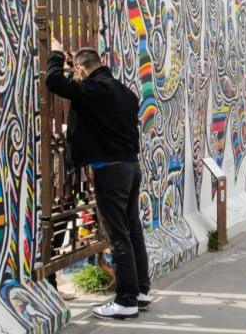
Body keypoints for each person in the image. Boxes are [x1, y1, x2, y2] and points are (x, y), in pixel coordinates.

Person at [46, 40, 151, 320]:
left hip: (111, 172)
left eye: (77, 72)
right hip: (131, 167)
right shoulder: (125, 92)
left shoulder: (93, 89)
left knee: (118, 236)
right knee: (133, 229)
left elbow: (53, 81)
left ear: (81, 69)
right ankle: (141, 291)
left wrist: (56, 54)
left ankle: (126, 300)